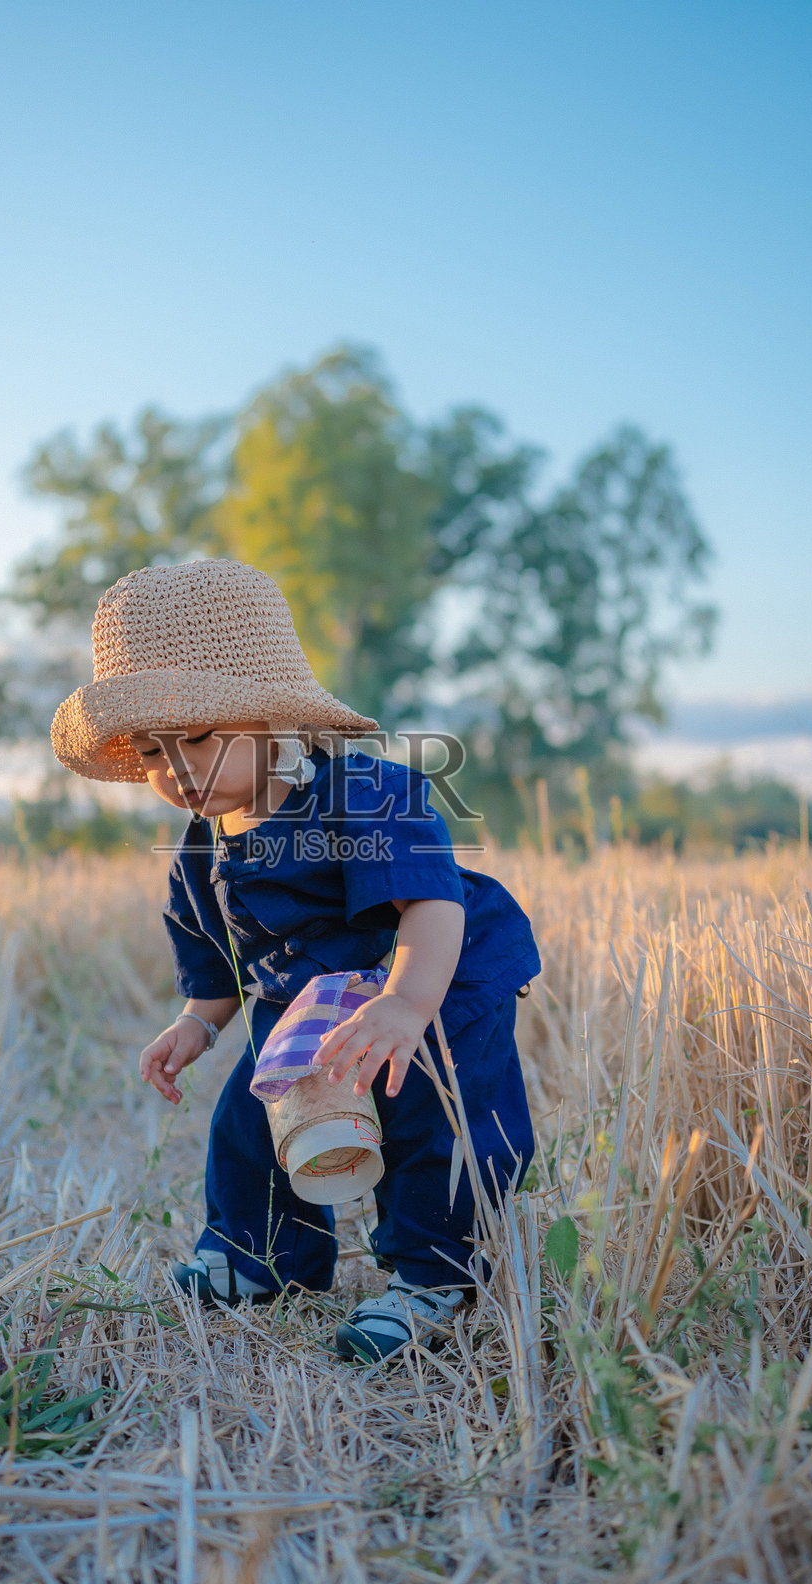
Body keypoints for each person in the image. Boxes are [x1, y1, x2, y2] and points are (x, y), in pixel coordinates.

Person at [51, 558, 540, 1363]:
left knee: (434, 1119)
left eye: (198, 737)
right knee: (255, 1117)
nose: (176, 769)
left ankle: (434, 1272)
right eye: (150, 750)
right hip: (305, 1000)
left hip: (428, 982)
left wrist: (407, 1006)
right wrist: (196, 1025)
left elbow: (432, 903)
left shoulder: (364, 792)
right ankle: (262, 1255)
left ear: (270, 715)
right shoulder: (203, 840)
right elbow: (216, 952)